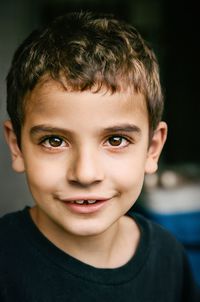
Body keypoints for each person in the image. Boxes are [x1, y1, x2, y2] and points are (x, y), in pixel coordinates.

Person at [1, 11, 199, 301]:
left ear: (152, 149)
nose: (85, 173)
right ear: (17, 146)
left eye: (116, 140)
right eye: (54, 141)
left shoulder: (169, 257)